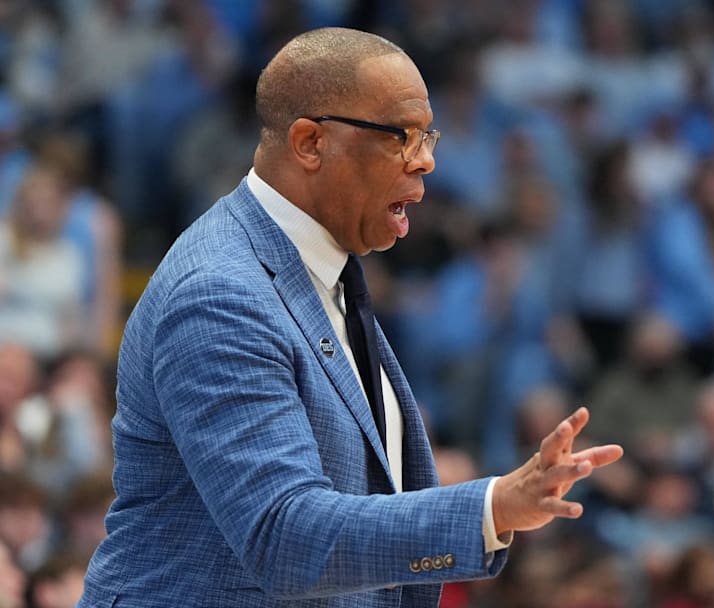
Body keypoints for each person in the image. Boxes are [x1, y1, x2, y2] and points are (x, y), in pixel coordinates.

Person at [78, 27, 622, 608]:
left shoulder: (322, 268)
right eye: (402, 136)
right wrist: (491, 506)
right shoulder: (220, 294)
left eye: (429, 136)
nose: (428, 160)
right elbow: (284, 536)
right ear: (311, 142)